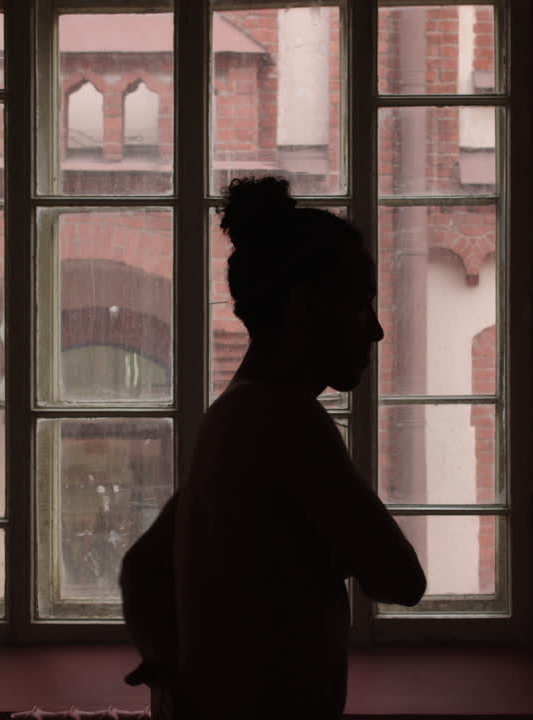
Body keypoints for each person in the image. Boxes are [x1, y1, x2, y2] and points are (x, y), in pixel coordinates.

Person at [119, 176, 426, 719]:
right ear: (307, 306)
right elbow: (399, 578)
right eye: (360, 306)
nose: (375, 330)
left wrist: (167, 667)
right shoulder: (290, 421)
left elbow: (144, 566)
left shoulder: (230, 416)